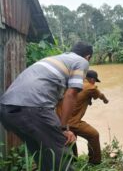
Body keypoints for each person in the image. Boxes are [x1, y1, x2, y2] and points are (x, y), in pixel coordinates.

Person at [0, 41, 93, 171]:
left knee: (43, 155)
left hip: (7, 110)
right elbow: (71, 94)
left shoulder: (53, 60)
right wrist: (63, 128)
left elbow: (57, 101)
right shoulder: (81, 61)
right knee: (61, 152)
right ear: (88, 57)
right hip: (33, 108)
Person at [56, 70, 109, 165]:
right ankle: (94, 162)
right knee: (94, 135)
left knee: (71, 138)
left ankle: (73, 160)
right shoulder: (90, 86)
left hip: (59, 119)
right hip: (71, 121)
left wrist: (88, 100)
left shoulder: (73, 83)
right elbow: (100, 95)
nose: (94, 83)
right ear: (92, 79)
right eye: (94, 81)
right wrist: (105, 100)